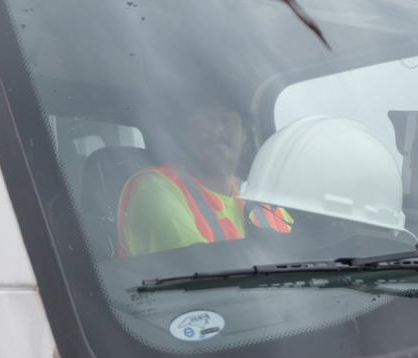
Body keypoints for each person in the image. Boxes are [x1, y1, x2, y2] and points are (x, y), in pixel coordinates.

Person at [117, 101, 293, 257]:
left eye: (227, 119)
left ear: (244, 134)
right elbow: (197, 268)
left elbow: (300, 254)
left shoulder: (262, 199)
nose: (218, 129)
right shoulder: (154, 188)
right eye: (204, 120)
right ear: (184, 135)